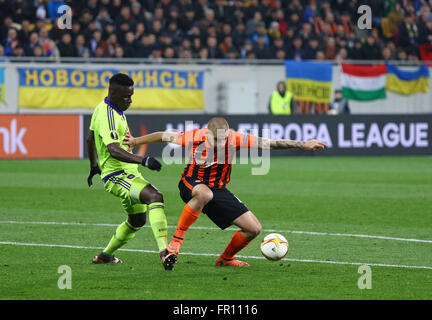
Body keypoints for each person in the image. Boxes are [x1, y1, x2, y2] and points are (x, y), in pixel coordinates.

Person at [122, 117, 327, 267]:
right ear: (208, 134)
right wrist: (135, 141)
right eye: (217, 140)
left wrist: (303, 144)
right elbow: (162, 136)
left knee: (253, 229)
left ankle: (226, 259)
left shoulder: (235, 138)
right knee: (204, 194)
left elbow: (271, 144)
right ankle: (175, 244)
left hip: (217, 188)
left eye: (224, 139)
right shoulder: (194, 136)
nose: (221, 143)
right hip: (191, 183)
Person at [86, 73, 177, 270]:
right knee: (155, 196)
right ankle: (164, 252)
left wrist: (94, 165)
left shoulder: (107, 109)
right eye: (126, 96)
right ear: (113, 92)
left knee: (137, 220)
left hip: (127, 173)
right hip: (118, 176)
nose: (130, 100)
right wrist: (143, 159)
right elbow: (113, 150)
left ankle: (105, 256)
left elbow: (90, 138)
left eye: (131, 95)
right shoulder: (108, 115)